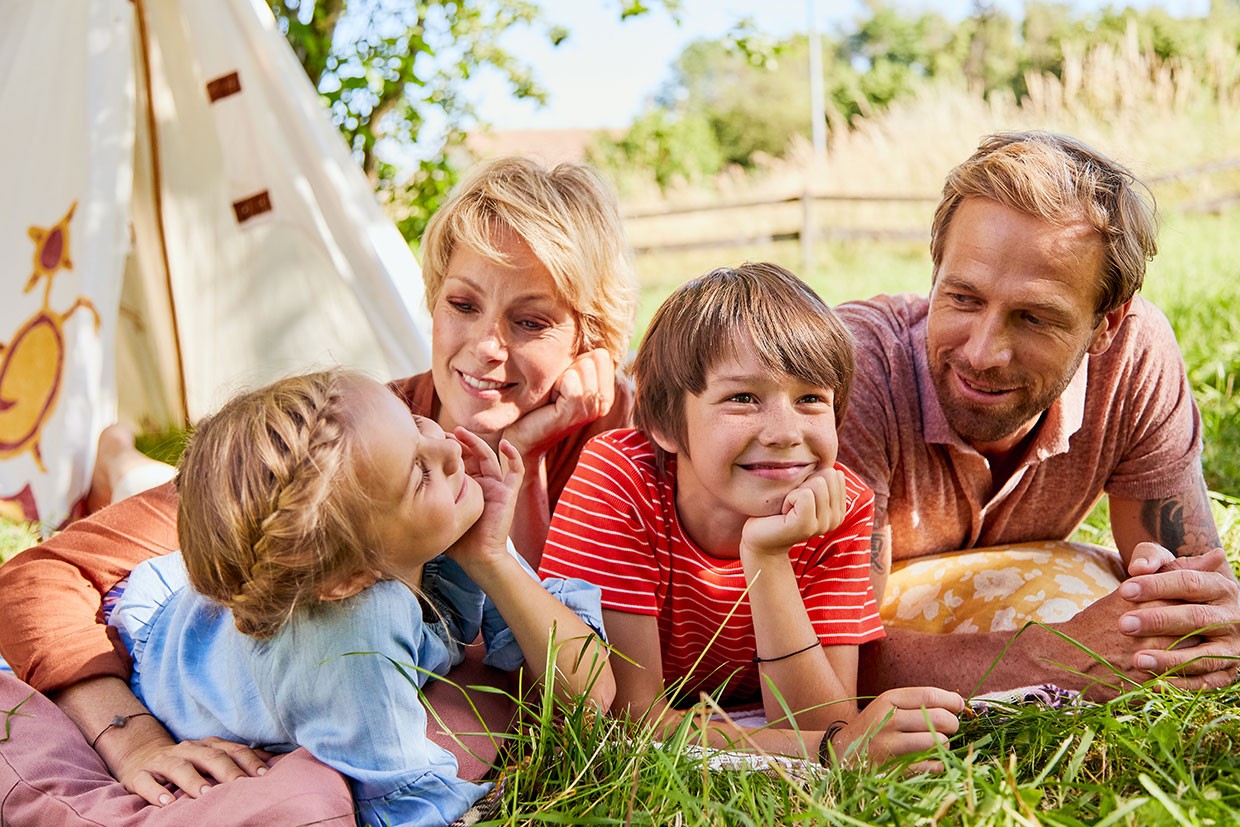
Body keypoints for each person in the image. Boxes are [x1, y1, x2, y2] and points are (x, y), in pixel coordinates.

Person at [0, 156, 638, 811]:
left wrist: (526, 452)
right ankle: (121, 463)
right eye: (463, 303)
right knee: (172, 512)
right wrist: (133, 739)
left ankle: (126, 462)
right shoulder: (331, 448)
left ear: (592, 338)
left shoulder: (615, 438)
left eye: (531, 321)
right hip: (179, 622)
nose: (485, 345)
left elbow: (590, 682)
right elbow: (38, 580)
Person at [106, 369, 612, 827]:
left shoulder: (426, 529)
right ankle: (113, 454)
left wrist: (492, 558)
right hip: (168, 645)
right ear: (349, 580)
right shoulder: (354, 632)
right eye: (419, 473)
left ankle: (117, 457)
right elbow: (406, 801)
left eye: (417, 425)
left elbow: (592, 692)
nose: (451, 450)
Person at [834, 130, 1240, 697]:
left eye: (1033, 318)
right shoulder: (852, 371)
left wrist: (1207, 624)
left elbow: (1186, 600)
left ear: (1106, 325)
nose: (981, 352)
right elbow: (822, 656)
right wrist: (1053, 659)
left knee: (1096, 585)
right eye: (963, 298)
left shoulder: (1135, 359)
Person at [539, 263, 963, 767]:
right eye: (742, 398)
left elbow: (821, 716)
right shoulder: (618, 481)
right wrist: (830, 750)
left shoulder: (842, 506)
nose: (785, 432)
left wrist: (768, 556)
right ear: (664, 424)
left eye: (811, 399)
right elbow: (630, 722)